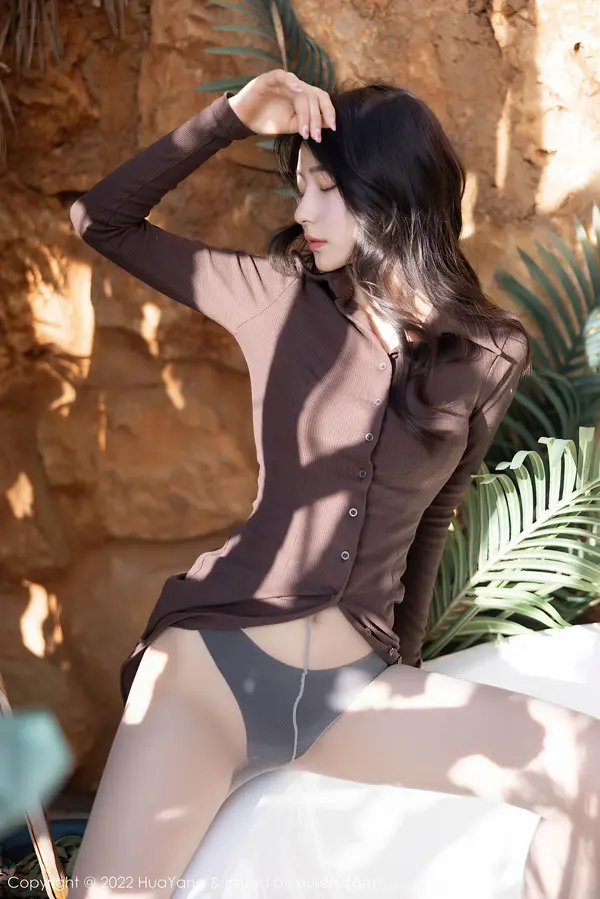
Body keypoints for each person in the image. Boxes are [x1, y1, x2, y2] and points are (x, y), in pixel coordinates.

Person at [68, 68, 599, 899]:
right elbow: (100, 219)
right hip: (210, 678)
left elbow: (435, 519)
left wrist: (405, 667)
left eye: (325, 188)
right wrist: (230, 117)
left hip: (356, 694)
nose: (304, 212)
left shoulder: (491, 354)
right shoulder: (274, 297)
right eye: (300, 187)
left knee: (586, 768)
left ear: (390, 194)